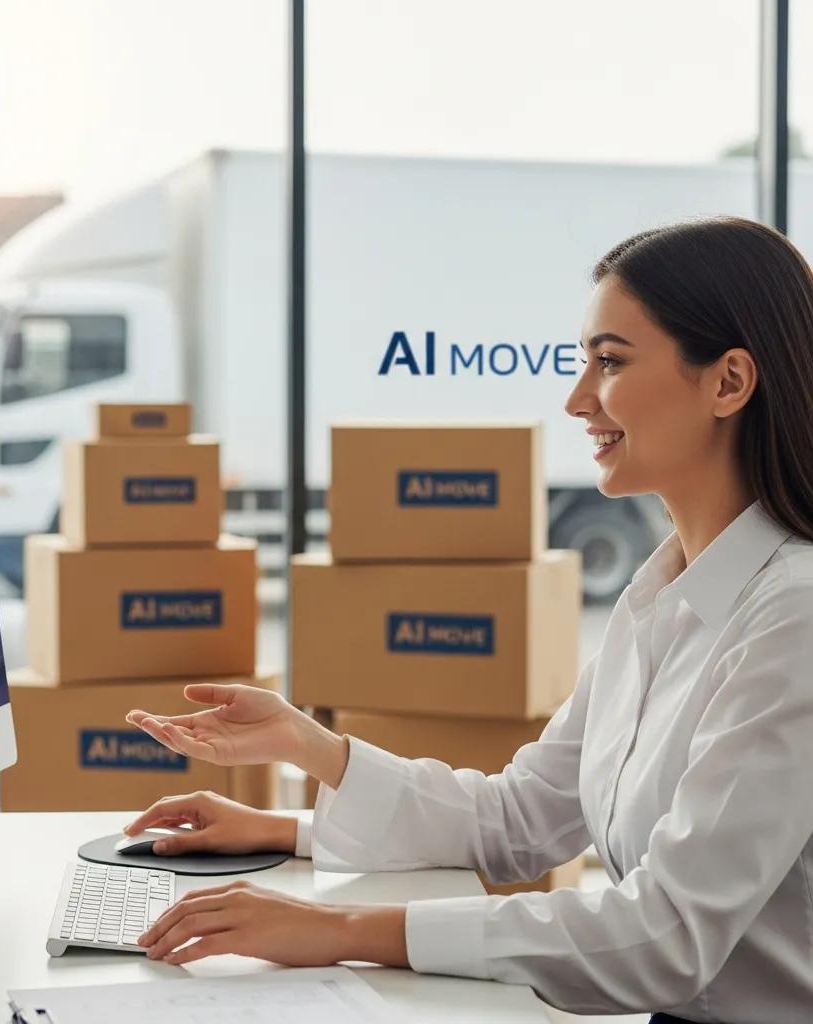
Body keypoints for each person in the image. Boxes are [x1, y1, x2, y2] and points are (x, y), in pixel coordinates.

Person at [123, 216, 813, 1024]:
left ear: (728, 383)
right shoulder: (662, 596)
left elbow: (663, 937)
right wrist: (300, 773)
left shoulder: (791, 617)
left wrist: (335, 930)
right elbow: (520, 817)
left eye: (611, 361)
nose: (578, 397)